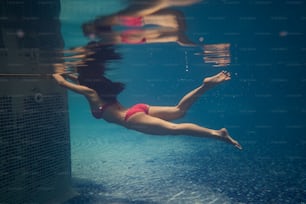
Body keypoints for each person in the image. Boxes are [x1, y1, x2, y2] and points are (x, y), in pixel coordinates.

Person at [52, 69, 242, 150]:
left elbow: (60, 82)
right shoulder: (100, 90)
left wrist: (56, 72)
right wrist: (70, 75)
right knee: (178, 110)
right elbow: (80, 83)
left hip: (132, 119)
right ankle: (205, 86)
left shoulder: (90, 94)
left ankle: (218, 134)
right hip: (137, 109)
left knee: (176, 128)